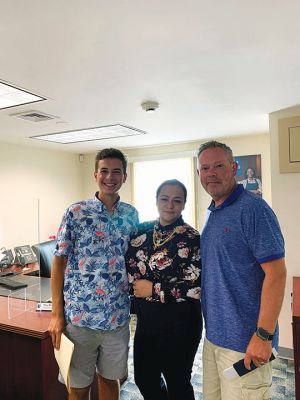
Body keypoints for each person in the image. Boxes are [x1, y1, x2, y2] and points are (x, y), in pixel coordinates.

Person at [197, 140, 286, 400]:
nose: (211, 173)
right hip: (214, 338)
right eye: (204, 168)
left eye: (219, 166)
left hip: (246, 343)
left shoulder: (253, 209)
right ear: (198, 173)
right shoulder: (214, 212)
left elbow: (277, 273)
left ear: (234, 168)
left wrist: (263, 335)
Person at [48, 148, 139, 400]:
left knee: (111, 383)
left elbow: (134, 261)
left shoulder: (131, 215)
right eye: (104, 171)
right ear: (95, 175)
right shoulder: (75, 212)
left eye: (116, 172)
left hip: (117, 319)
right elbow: (58, 262)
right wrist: (57, 315)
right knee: (78, 388)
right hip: (80, 319)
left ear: (125, 176)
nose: (110, 177)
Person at [125, 179, 202, 400]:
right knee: (144, 378)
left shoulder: (192, 238)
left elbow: (196, 286)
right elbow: (129, 267)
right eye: (164, 199)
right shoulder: (141, 231)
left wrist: (155, 289)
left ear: (184, 204)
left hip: (182, 323)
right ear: (156, 201)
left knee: (178, 382)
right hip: (148, 321)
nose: (170, 205)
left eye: (177, 201)